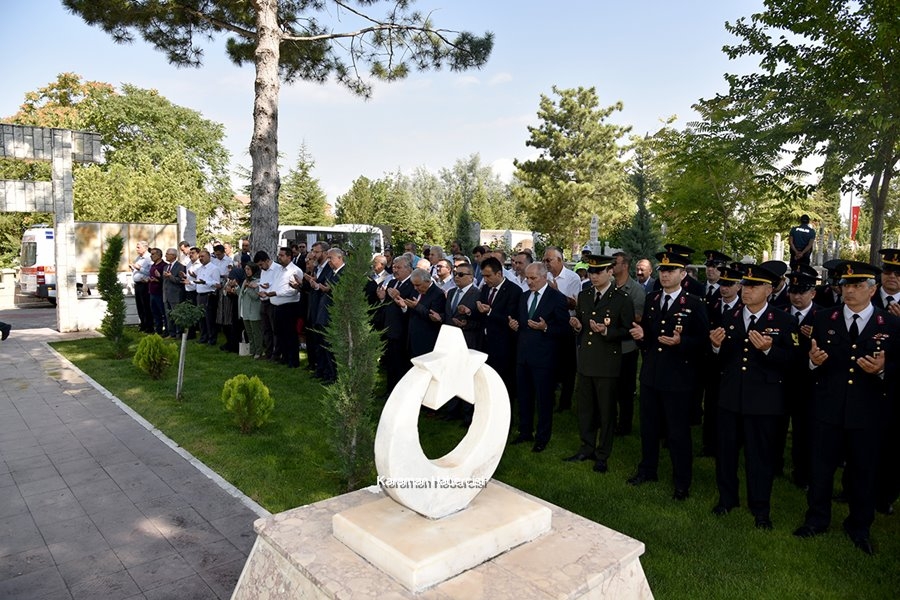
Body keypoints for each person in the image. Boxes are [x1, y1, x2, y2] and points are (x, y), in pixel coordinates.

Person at [794, 261, 900, 555]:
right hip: (827, 408)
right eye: (845, 285)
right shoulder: (824, 318)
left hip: (867, 412)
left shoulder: (891, 324)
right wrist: (812, 362)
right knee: (821, 469)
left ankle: (859, 526)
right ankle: (816, 519)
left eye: (857, 285)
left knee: (863, 472)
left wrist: (883, 369)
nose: (849, 291)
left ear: (872, 290)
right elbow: (808, 360)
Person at [709, 263, 797, 530]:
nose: (747, 290)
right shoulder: (730, 316)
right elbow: (723, 360)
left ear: (769, 290)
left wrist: (770, 350)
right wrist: (715, 347)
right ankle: (727, 499)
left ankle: (760, 508)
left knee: (760, 457)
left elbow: (794, 361)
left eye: (754, 286)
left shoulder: (783, 320)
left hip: (763, 401)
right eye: (745, 285)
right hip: (731, 397)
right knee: (726, 453)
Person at [628, 249, 710, 500]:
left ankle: (681, 482)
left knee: (677, 433)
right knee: (649, 428)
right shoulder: (652, 299)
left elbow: (703, 342)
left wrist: (681, 342)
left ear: (683, 274)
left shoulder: (694, 303)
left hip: (678, 378)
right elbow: (649, 336)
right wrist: (642, 337)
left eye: (671, 270)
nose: (665, 274)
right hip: (652, 374)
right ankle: (647, 469)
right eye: (662, 270)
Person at [564, 255, 635, 473]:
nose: (593, 276)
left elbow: (628, 330)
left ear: (610, 272)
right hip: (586, 360)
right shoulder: (585, 295)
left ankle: (603, 453)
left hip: (607, 363)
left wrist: (607, 331)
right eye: (591, 272)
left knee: (606, 411)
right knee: (585, 409)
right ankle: (586, 447)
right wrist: (577, 326)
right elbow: (583, 323)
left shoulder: (621, 298)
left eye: (598, 272)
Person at [508, 262, 569, 453]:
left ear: (544, 277)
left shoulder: (557, 298)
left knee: (544, 400)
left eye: (533, 278)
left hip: (544, 358)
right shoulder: (524, 296)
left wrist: (546, 328)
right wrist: (515, 325)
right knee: (524, 397)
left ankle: (542, 437)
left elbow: (565, 329)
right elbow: (521, 321)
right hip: (523, 356)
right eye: (527, 278)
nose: (529, 281)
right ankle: (525, 431)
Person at [778, 266, 820, 488]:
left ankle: (801, 473)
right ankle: (774, 465)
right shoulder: (780, 312)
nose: (796, 296)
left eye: (802, 291)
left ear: (812, 293)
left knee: (804, 432)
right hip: (781, 380)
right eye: (793, 291)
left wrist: (816, 334)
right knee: (776, 426)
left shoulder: (823, 316)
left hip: (808, 383)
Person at [701, 265, 743, 457]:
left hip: (733, 365)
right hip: (712, 363)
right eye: (722, 284)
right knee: (711, 403)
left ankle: (732, 443)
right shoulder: (711, 305)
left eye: (729, 284)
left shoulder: (744, 309)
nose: (724, 288)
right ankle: (709, 444)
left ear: (739, 286)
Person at [475, 257, 522, 400]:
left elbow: (511, 316)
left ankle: (506, 407)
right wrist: (472, 311)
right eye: (483, 276)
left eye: (488, 276)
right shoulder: (485, 289)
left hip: (503, 344)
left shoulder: (514, 290)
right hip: (485, 341)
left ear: (499, 274)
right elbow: (482, 312)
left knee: (503, 380)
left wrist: (490, 311)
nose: (485, 280)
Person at [543, 246, 581, 413]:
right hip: (548, 325)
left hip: (567, 324)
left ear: (560, 260)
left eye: (549, 260)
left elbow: (573, 304)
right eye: (544, 260)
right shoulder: (544, 276)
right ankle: (549, 398)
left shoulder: (572, 278)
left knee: (568, 367)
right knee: (549, 363)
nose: (546, 263)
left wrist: (555, 291)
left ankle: (565, 402)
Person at [611, 251, 645, 436]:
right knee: (610, 387)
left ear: (625, 265)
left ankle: (624, 425)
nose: (611, 266)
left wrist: (615, 318)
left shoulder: (635, 290)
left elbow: (637, 317)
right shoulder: (610, 286)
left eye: (614, 263)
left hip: (627, 347)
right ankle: (609, 420)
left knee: (625, 389)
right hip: (609, 345)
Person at [379, 255, 415, 393]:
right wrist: (382, 299)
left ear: (408, 269)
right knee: (390, 362)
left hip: (402, 330)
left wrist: (400, 298)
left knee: (400, 363)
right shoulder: (392, 283)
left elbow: (411, 307)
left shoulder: (412, 284)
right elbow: (388, 305)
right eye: (394, 267)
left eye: (398, 267)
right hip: (389, 328)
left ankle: (399, 392)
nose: (395, 270)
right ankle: (390, 389)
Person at [263, 247, 303, 368]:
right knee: (280, 333)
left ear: (289, 257)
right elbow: (277, 284)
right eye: (279, 255)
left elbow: (294, 291)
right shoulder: (279, 269)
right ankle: (284, 357)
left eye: (282, 255)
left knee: (290, 333)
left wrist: (276, 293)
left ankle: (293, 360)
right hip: (277, 305)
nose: (279, 257)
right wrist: (269, 287)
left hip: (288, 306)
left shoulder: (295, 271)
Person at [403, 267, 446, 358]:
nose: (415, 288)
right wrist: (404, 306)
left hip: (426, 341)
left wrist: (417, 306)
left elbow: (433, 316)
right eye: (414, 285)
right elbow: (411, 311)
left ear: (427, 281)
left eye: (418, 285)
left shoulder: (438, 294)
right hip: (412, 339)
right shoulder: (415, 291)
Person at [239, 263, 264, 358]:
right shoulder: (245, 280)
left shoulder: (258, 281)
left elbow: (255, 296)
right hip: (245, 311)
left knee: (256, 332)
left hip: (254, 311)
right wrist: (237, 287)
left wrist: (249, 287)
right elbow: (241, 294)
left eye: (249, 269)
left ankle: (258, 351)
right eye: (246, 269)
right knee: (249, 332)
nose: (247, 271)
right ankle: (252, 350)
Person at [161, 248, 186, 338]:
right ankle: (171, 333)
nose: (165, 256)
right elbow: (165, 281)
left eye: (167, 254)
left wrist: (170, 276)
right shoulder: (166, 267)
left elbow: (180, 280)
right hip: (166, 295)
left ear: (173, 256)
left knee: (177, 315)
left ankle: (179, 333)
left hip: (175, 295)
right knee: (168, 315)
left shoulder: (180, 267)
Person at [130, 240, 153, 333]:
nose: (137, 249)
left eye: (138, 247)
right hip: (138, 284)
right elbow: (137, 270)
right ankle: (143, 324)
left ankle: (149, 326)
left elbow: (151, 272)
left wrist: (139, 268)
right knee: (139, 306)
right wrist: (133, 269)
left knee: (146, 306)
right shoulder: (138, 258)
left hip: (145, 284)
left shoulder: (149, 258)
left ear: (145, 248)